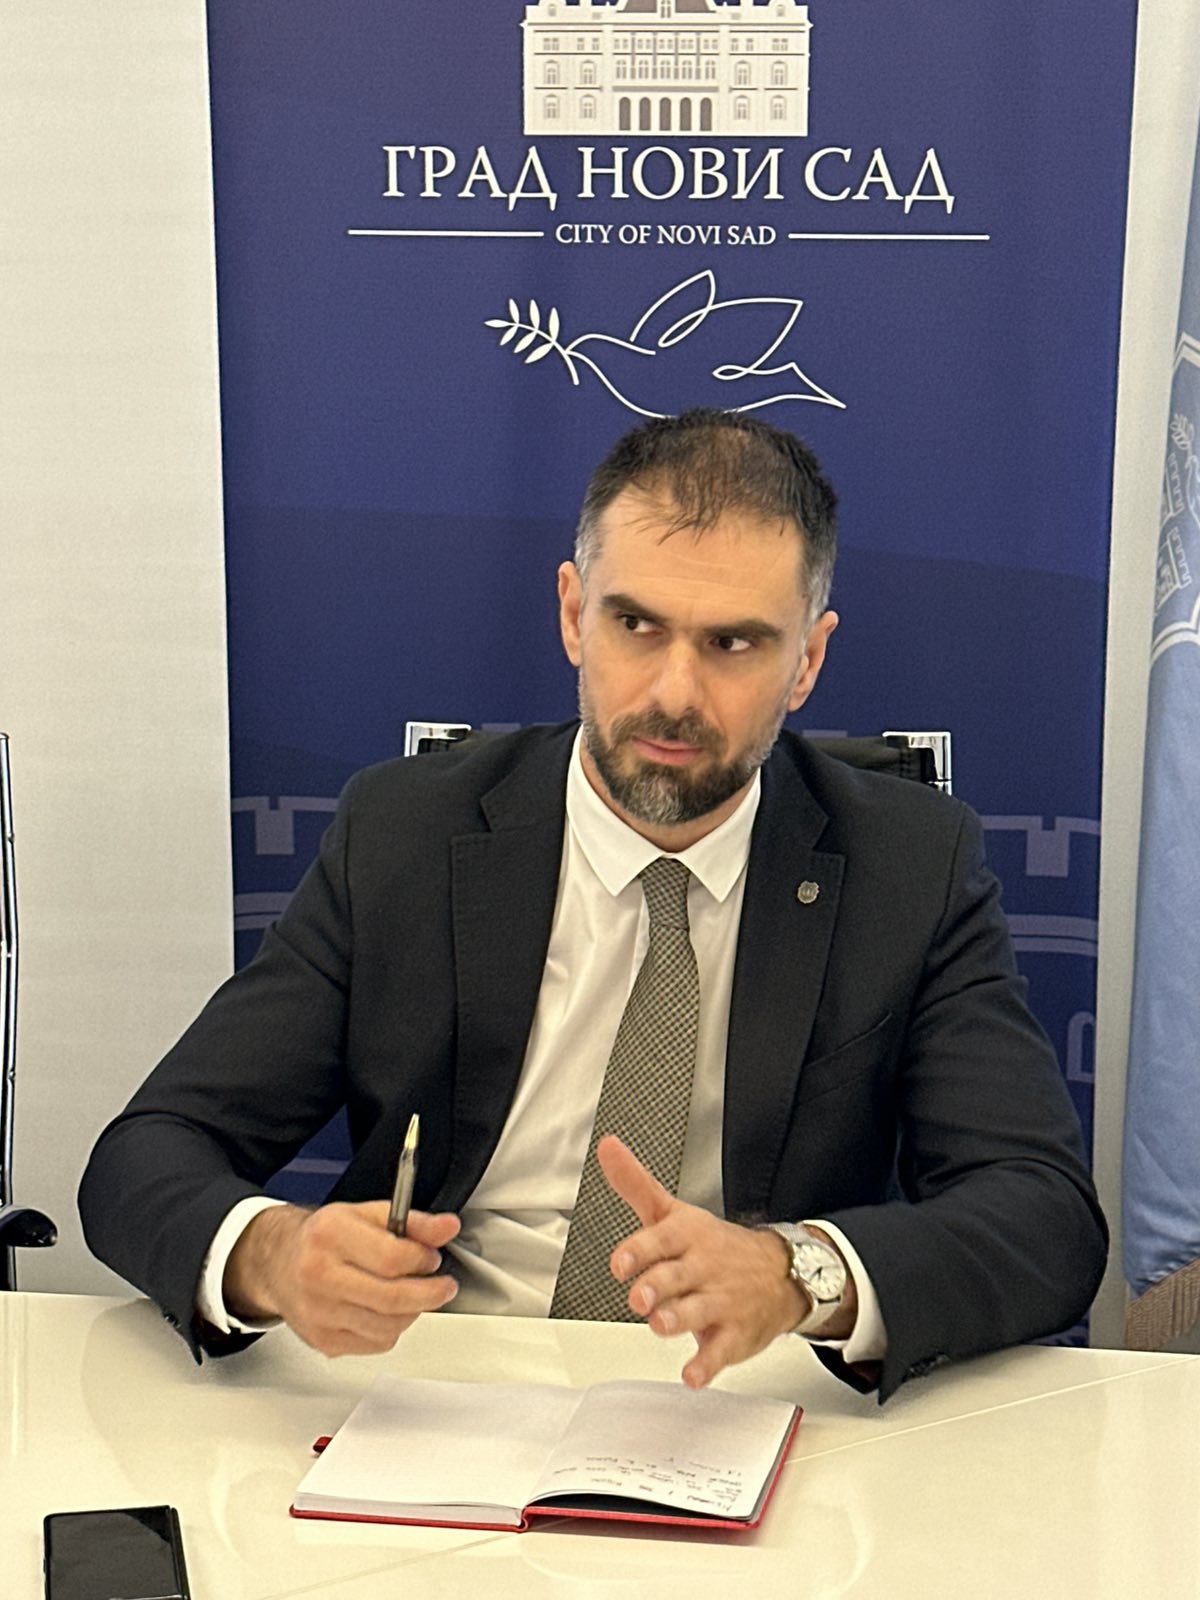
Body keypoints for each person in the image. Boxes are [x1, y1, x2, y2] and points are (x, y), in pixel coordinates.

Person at [79, 409, 1107, 1402]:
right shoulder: (403, 836)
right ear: (574, 614)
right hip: (432, 1390)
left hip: (747, 1402)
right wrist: (273, 1254)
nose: (674, 693)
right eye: (635, 624)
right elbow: (145, 1156)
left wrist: (799, 1272)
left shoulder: (909, 868)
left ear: (808, 660)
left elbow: (1046, 1218)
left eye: (734, 644)